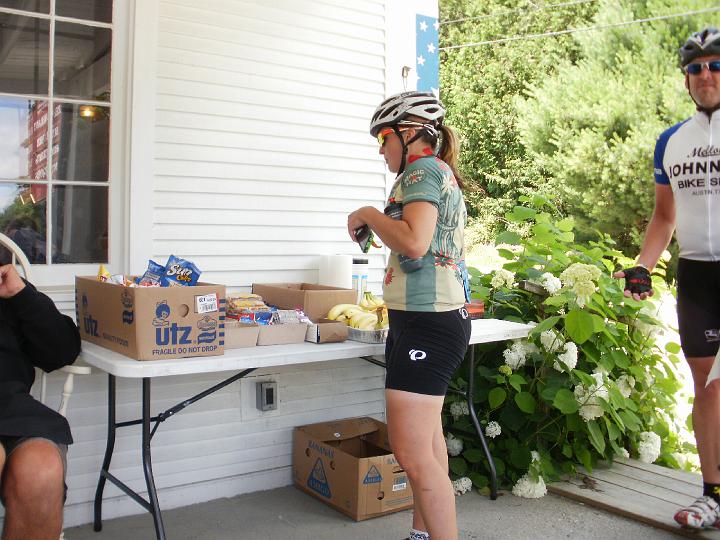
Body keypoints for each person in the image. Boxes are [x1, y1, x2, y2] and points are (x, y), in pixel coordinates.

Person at [347, 91, 471, 540]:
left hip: (428, 323)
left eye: (384, 138)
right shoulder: (427, 173)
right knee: (428, 449)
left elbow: (415, 243)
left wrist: (367, 212)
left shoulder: (422, 170)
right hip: (419, 320)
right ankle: (422, 535)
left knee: (412, 453)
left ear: (410, 132)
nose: (381, 149)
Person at [614, 27, 720, 530]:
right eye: (696, 68)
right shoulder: (671, 143)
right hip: (696, 274)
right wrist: (642, 264)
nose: (706, 75)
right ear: (685, 80)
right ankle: (712, 494)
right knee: (705, 385)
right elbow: (663, 216)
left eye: (715, 65)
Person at [0, 263, 81, 539]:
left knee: (41, 467)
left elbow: (62, 352)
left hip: (12, 409)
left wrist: (21, 294)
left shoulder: (10, 293)